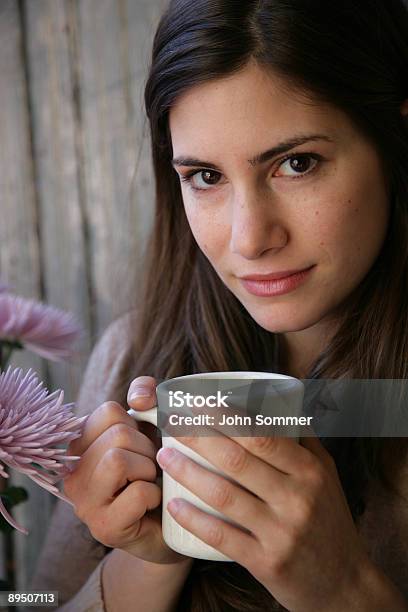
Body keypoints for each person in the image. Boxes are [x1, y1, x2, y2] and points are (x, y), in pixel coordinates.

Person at [29, 0, 408, 610]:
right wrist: (152, 556)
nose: (249, 238)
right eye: (205, 177)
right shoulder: (133, 356)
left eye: (297, 163)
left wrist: (345, 589)